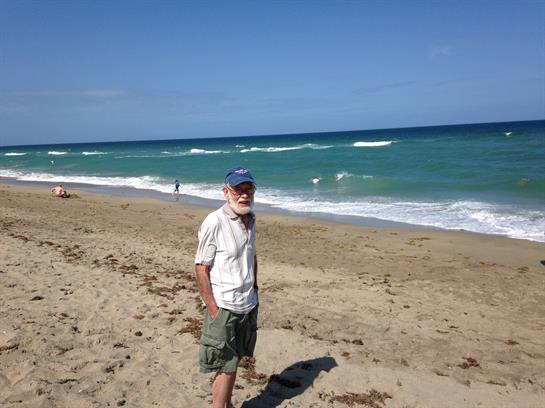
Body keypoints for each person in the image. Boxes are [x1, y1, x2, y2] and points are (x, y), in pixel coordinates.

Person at [194, 167, 259, 408]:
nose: (244, 195)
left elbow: (251, 256)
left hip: (248, 303)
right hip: (223, 306)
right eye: (237, 190)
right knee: (225, 364)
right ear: (225, 192)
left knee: (233, 362)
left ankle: (226, 404)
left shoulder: (251, 218)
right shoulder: (214, 221)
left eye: (248, 189)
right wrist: (211, 305)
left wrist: (256, 288)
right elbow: (201, 266)